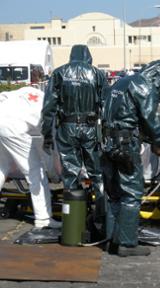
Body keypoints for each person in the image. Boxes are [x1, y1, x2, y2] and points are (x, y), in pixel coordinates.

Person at [102, 60, 160, 257]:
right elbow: (151, 123)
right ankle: (127, 244)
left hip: (107, 142)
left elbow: (124, 116)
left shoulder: (122, 82)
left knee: (114, 194)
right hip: (125, 146)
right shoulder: (144, 86)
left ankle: (112, 239)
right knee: (131, 192)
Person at [41, 44, 109, 229]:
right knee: (97, 173)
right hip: (90, 127)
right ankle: (102, 218)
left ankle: (73, 222)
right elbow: (107, 106)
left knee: (70, 174)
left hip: (67, 127)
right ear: (89, 56)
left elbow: (49, 108)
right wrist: (107, 134)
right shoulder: (97, 74)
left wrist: (47, 134)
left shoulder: (59, 73)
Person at [0, 87, 61, 228]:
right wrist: (55, 175)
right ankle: (43, 219)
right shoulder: (51, 113)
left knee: (2, 167)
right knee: (35, 172)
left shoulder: (36, 93)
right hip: (13, 127)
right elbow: (48, 148)